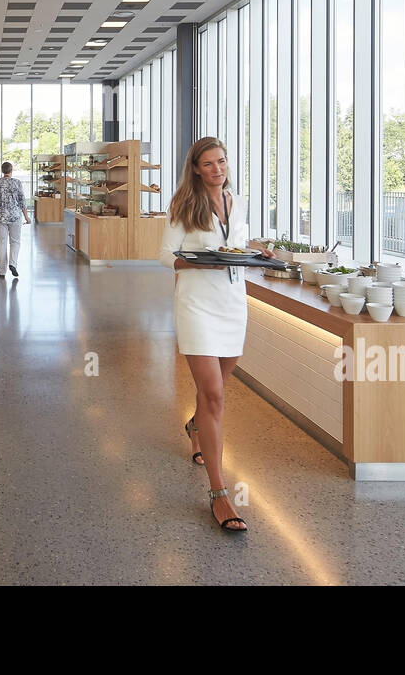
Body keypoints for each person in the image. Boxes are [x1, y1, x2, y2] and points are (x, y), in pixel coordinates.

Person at [159, 137, 262, 534]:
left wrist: (257, 253)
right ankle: (220, 494)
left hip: (233, 303)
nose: (217, 169)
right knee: (214, 394)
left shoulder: (237, 202)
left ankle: (195, 427)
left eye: (221, 161)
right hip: (197, 306)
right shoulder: (185, 205)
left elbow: (237, 245)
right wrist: (203, 263)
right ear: (196, 168)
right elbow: (166, 256)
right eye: (208, 163)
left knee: (216, 388)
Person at [0, 161, 30, 278]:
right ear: (11, 171)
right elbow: (22, 201)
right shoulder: (17, 183)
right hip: (15, 216)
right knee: (15, 241)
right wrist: (26, 216)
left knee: (1, 243)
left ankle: (2, 271)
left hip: (0, 216)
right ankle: (13, 264)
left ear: (2, 170)